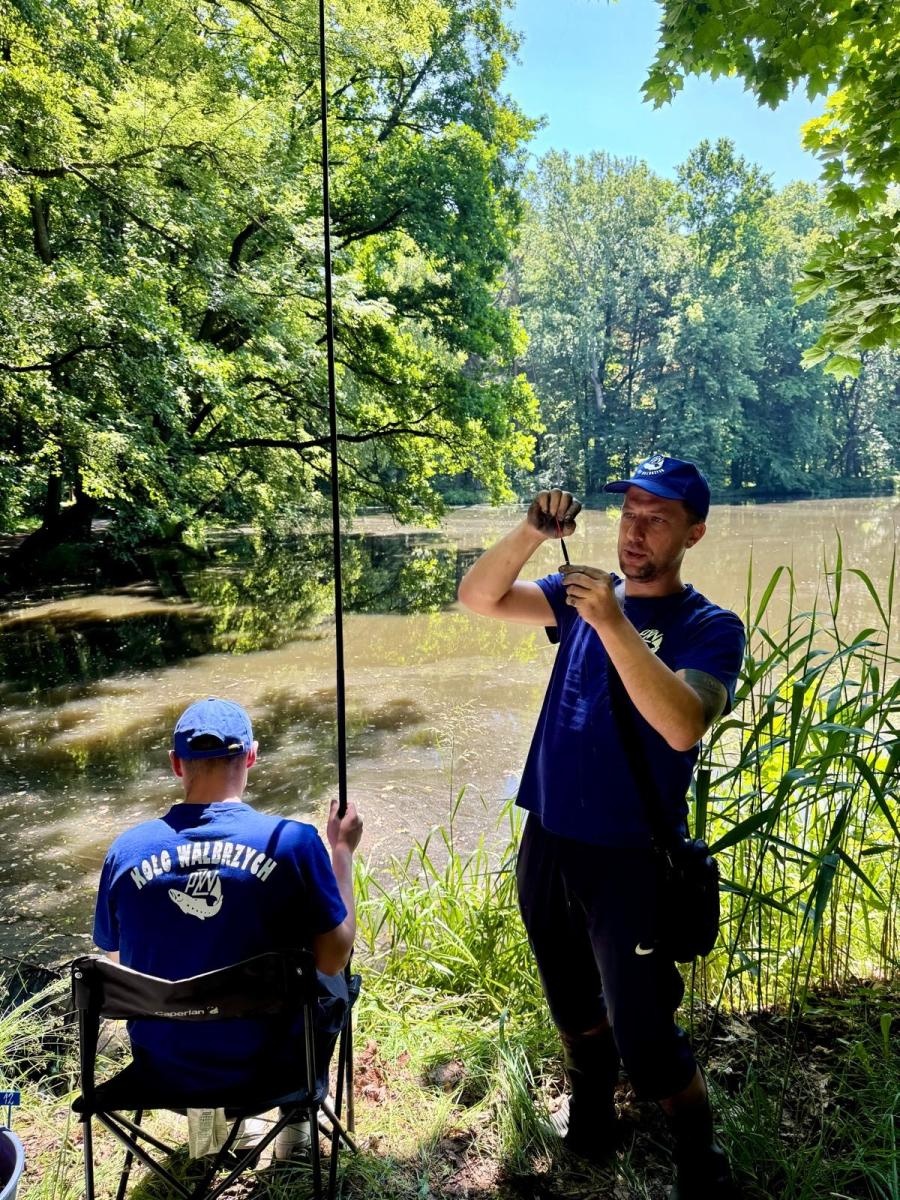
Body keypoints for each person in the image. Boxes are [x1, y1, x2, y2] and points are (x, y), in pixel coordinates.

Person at [458, 456, 745, 1199]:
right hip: (551, 837)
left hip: (632, 859)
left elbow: (683, 725)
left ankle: (697, 1153)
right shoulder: (579, 595)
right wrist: (530, 530)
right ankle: (591, 1113)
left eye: (658, 517)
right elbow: (479, 598)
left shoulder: (708, 627)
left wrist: (613, 622)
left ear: (695, 532)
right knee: (571, 1003)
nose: (636, 530)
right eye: (629, 513)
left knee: (646, 1035)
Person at [93, 696, 362, 1155]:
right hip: (273, 1071)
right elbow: (335, 958)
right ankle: (292, 1134)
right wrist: (341, 852)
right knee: (330, 985)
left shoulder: (126, 852)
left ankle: (211, 1134)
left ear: (176, 764)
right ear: (252, 756)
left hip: (163, 1072)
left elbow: (117, 962)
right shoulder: (294, 843)